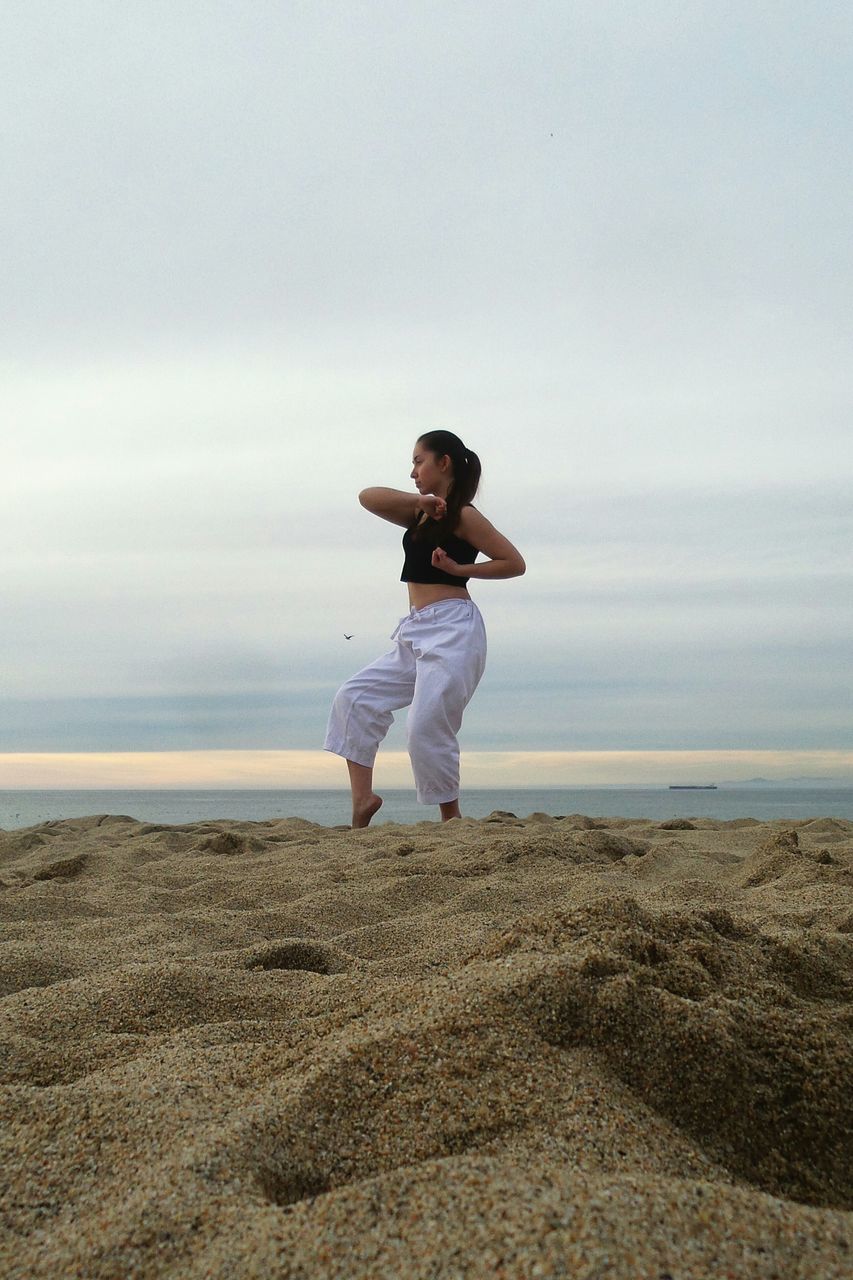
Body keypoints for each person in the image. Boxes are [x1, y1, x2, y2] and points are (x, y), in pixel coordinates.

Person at [324, 430, 526, 827]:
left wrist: (460, 569)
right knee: (354, 698)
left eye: (419, 461)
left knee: (425, 725)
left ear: (444, 463)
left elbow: (513, 562)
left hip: (454, 630)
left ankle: (451, 819)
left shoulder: (463, 515)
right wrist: (419, 501)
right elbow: (367, 496)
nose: (413, 471)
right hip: (415, 630)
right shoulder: (419, 512)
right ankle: (362, 801)